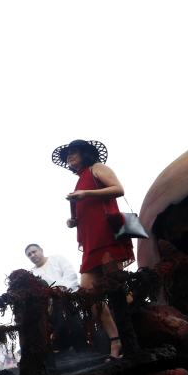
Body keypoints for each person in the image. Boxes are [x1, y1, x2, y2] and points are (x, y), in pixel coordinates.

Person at [54, 139, 135, 360]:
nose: (70, 157)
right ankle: (115, 339)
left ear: (85, 154)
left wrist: (86, 194)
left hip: (107, 236)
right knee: (88, 294)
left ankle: (127, 341)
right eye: (68, 154)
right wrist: (73, 221)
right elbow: (85, 212)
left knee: (116, 287)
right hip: (90, 242)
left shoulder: (96, 168)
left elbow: (118, 189)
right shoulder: (79, 181)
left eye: (74, 152)